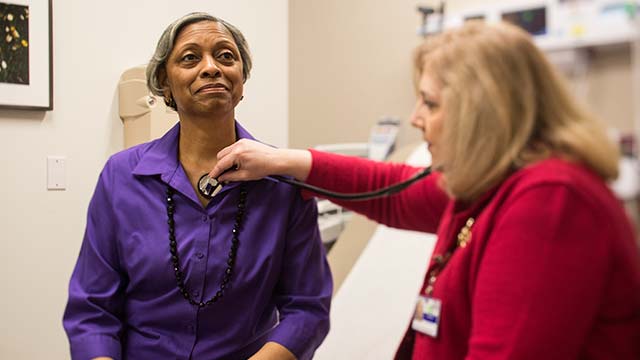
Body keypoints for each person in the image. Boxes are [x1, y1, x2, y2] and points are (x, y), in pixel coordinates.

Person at [210, 21, 640, 359]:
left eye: (430, 103)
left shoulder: (550, 202)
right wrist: (284, 161)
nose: (415, 118)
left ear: (484, 114)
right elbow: (390, 190)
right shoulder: (490, 185)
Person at [63, 12, 331, 360]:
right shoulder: (121, 177)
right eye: (190, 58)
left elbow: (307, 308)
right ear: (164, 84)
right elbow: (92, 310)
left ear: (242, 80)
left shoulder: (281, 182)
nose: (211, 68)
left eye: (225, 56)